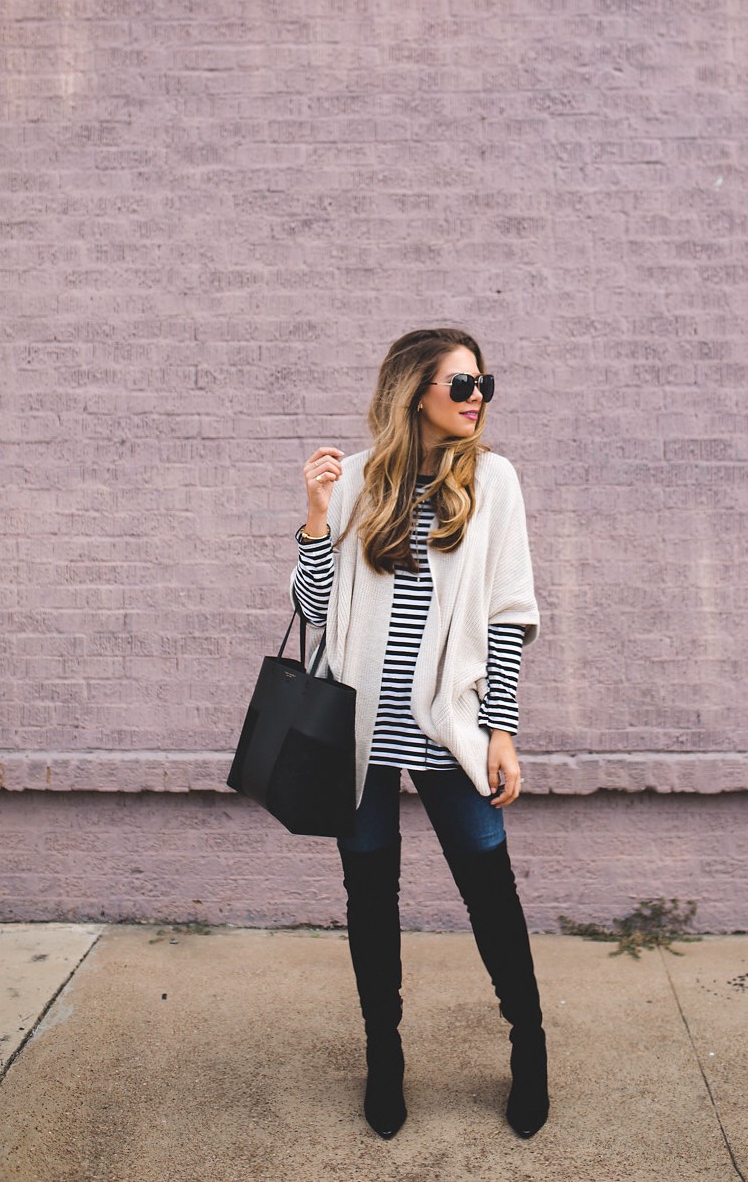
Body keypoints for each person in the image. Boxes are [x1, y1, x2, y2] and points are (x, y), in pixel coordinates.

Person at [291, 327, 548, 1140]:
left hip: (450, 727)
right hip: (358, 733)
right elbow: (313, 609)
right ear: (415, 393)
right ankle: (384, 1060)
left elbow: (505, 618)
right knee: (370, 902)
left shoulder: (496, 481)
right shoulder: (363, 480)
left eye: (483, 384)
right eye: (461, 385)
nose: (477, 399)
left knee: (491, 896)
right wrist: (313, 518)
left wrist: (500, 730)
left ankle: (530, 1047)